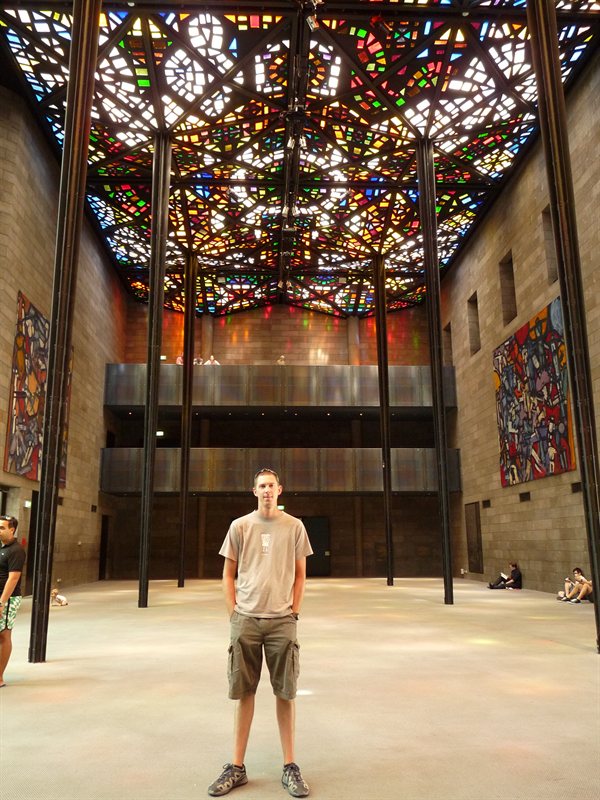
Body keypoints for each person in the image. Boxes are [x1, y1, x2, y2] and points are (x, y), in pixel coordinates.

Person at [208, 468, 313, 798]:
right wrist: (234, 613)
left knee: (286, 693)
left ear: (280, 490)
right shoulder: (239, 526)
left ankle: (290, 766)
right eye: (262, 486)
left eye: (271, 485)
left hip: (282, 621)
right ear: (254, 491)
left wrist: (294, 612)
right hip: (246, 621)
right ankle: (237, 767)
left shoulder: (294, 527)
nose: (267, 490)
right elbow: (228, 574)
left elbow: (301, 575)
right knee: (244, 692)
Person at [0, 515, 26, 688]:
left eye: (2, 528)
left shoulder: (16, 550)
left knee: (4, 635)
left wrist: (2, 602)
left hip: (7, 599)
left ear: (12, 530)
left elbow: (13, 578)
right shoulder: (2, 548)